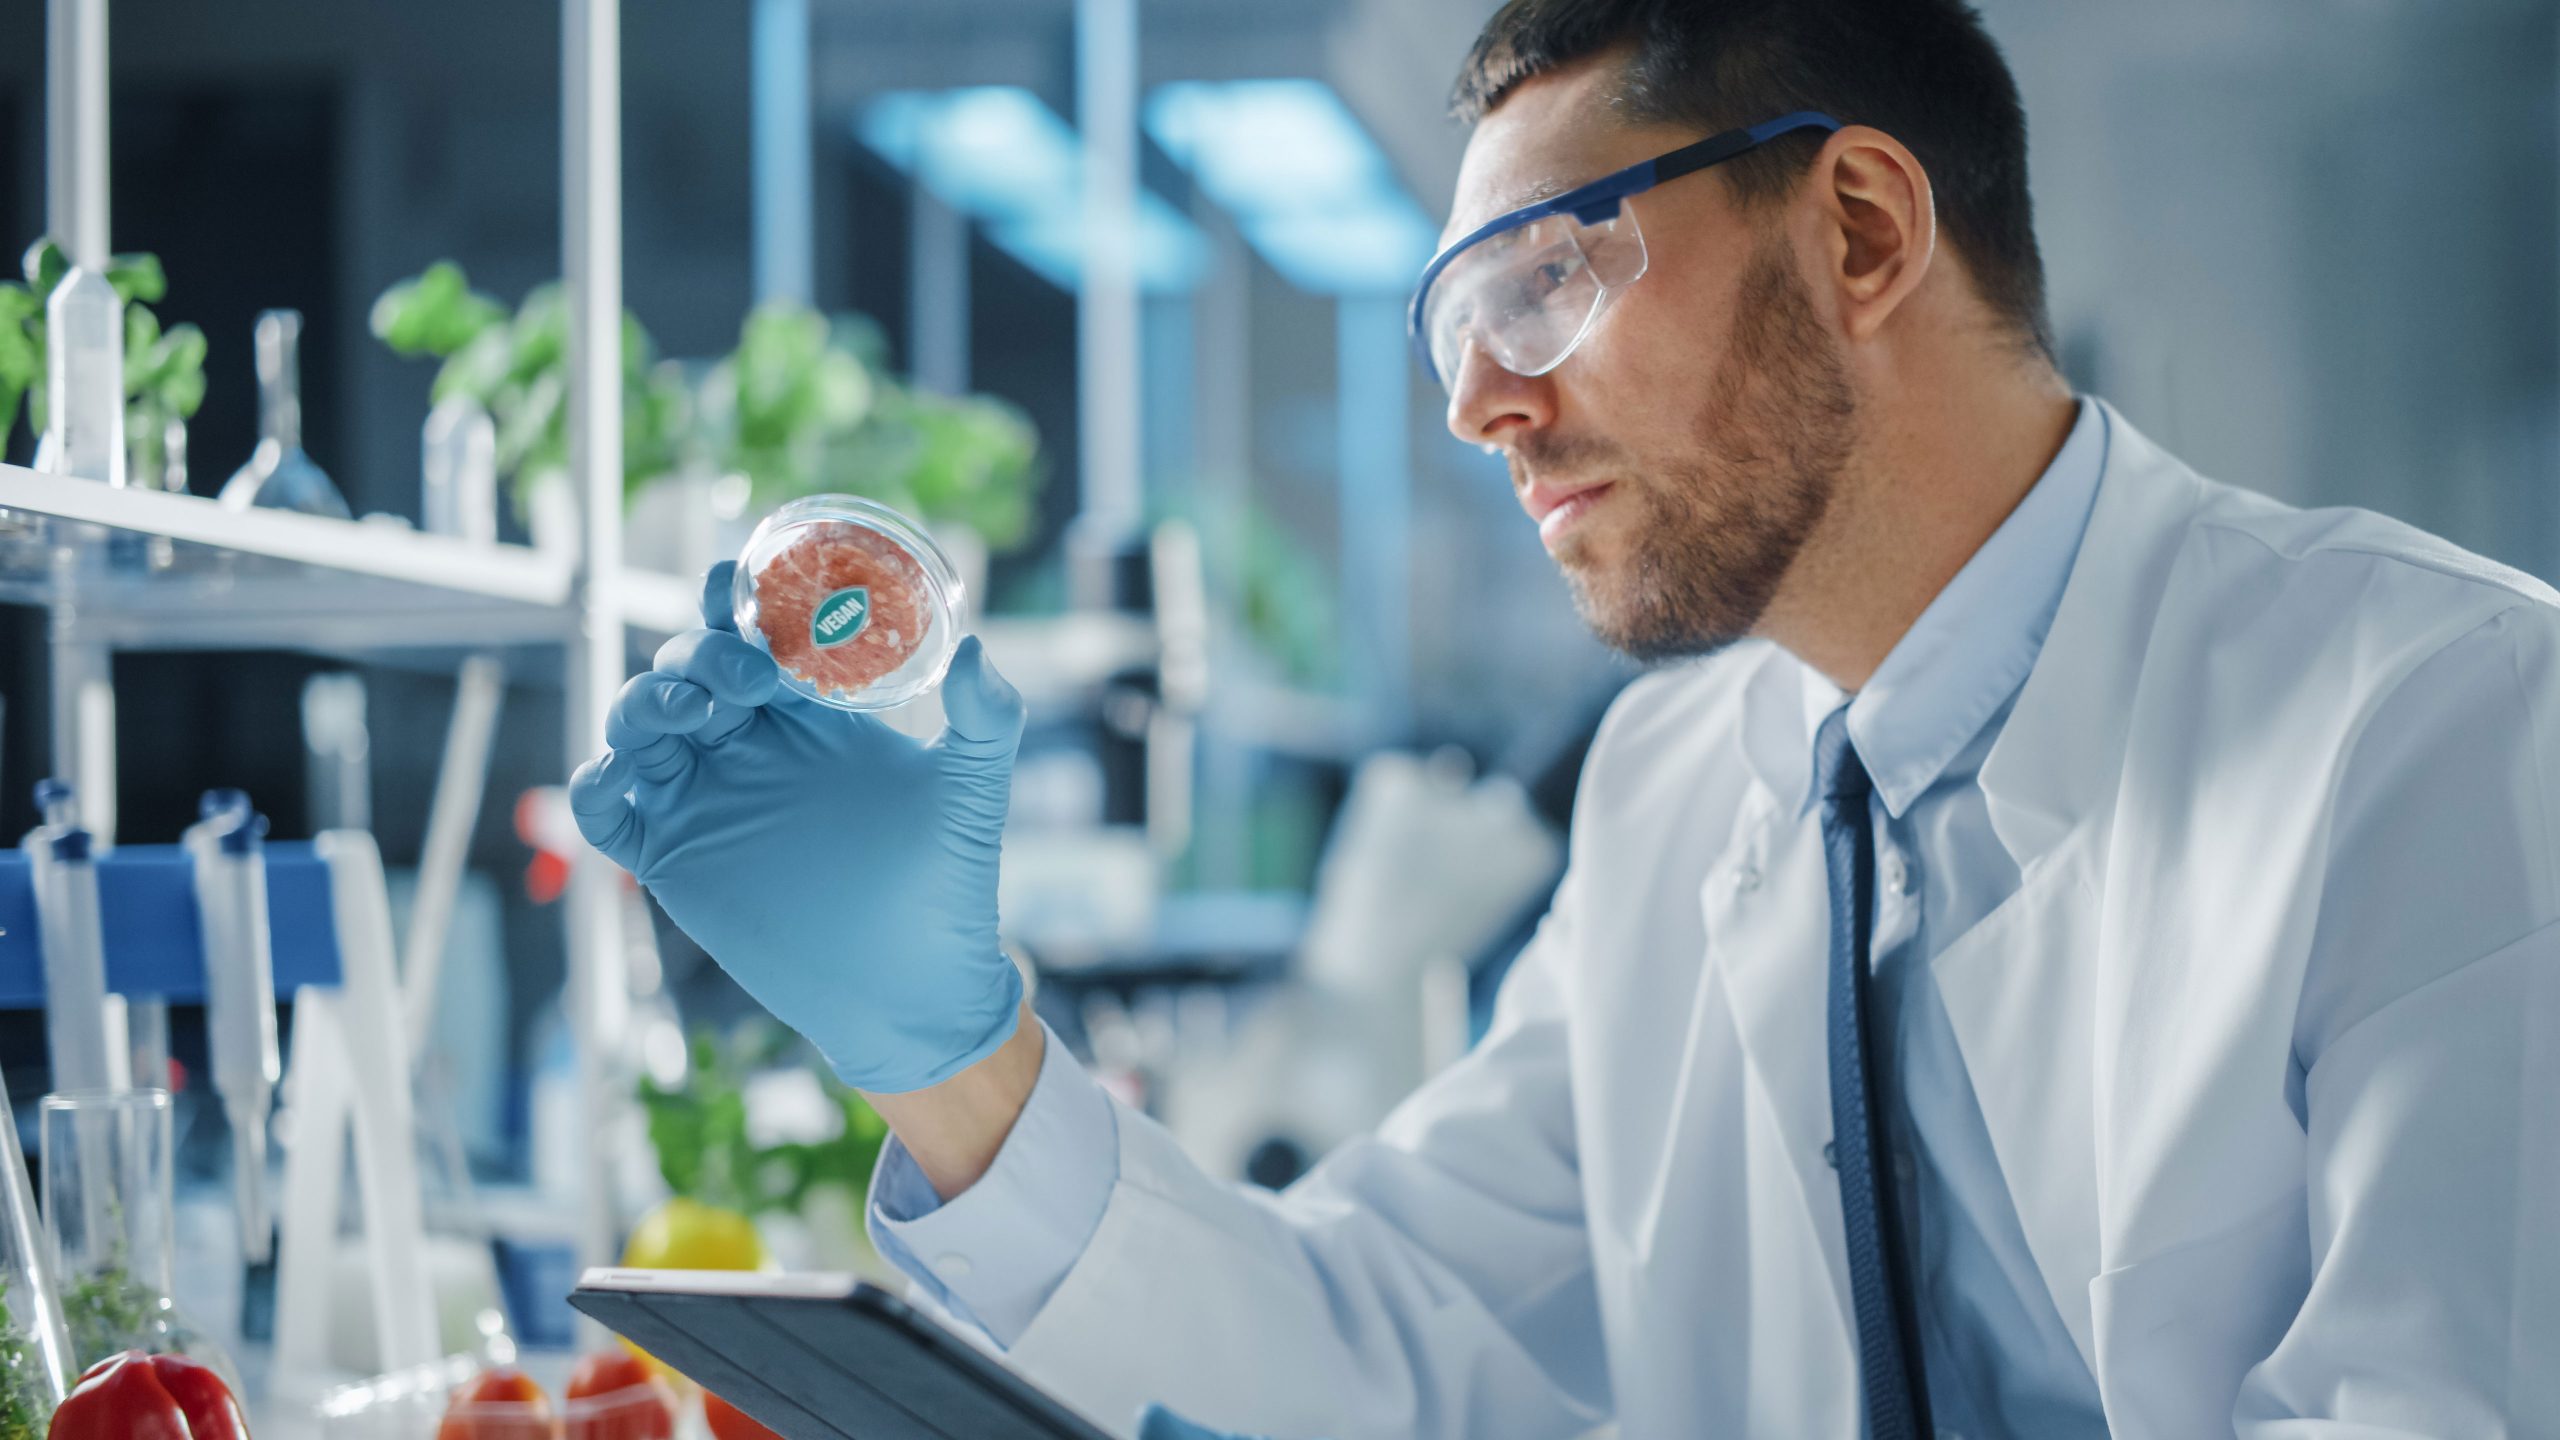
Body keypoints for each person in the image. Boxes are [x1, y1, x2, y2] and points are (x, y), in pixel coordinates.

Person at [569, 0, 2560, 1435]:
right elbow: (1377, 1353)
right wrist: (949, 1054)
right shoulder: (1677, 790)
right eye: (1451, 327)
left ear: (1857, 230)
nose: (1474, 406)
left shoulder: (2447, 726)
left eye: (1537, 286)